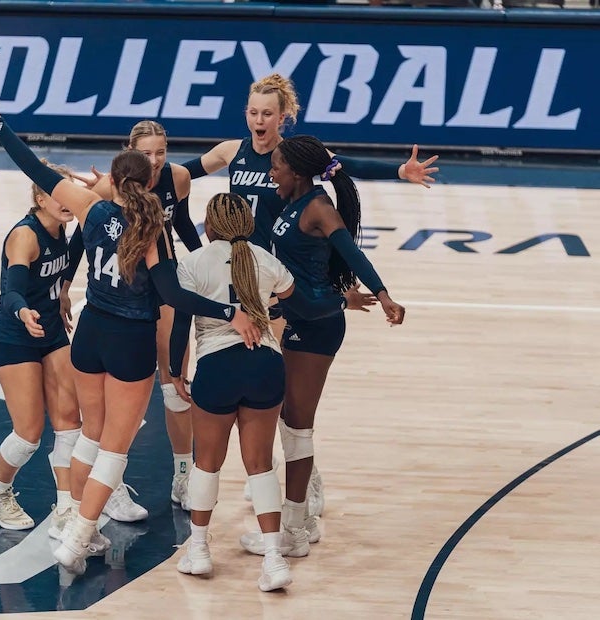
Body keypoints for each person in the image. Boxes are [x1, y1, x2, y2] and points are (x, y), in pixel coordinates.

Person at [0, 81, 261, 575]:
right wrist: (231, 312)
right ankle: (77, 534)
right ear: (148, 182)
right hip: (129, 340)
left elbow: (33, 166)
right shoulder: (152, 232)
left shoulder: (91, 208)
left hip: (89, 335)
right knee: (113, 449)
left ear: (112, 181)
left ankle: (73, 521)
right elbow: (175, 296)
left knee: (87, 437)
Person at [182, 72, 436, 517]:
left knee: (286, 397)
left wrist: (400, 170)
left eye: (267, 114)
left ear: (284, 117)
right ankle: (266, 471)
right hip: (240, 280)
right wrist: (133, 178)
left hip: (280, 282)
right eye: (253, 112)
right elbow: (180, 172)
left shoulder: (294, 159)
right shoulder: (230, 151)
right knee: (252, 381)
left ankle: (304, 480)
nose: (259, 121)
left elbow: (346, 167)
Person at [167, 192, 372, 591]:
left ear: (209, 227)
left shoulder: (192, 263)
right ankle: (275, 560)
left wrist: (176, 370)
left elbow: (179, 326)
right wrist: (342, 301)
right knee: (260, 464)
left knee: (207, 462)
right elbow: (309, 308)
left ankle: (198, 551)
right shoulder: (266, 260)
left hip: (217, 365)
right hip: (265, 365)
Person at [239, 134, 405, 558]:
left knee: (296, 427)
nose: (270, 171)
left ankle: (295, 528)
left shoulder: (318, 207)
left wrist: (382, 294)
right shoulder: (289, 200)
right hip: (301, 316)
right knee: (289, 421)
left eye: (276, 166)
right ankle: (299, 520)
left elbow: (351, 251)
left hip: (317, 322)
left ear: (295, 171)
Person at [73, 120, 202, 512]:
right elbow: (83, 236)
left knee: (176, 384)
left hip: (164, 283)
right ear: (131, 154)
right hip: (127, 291)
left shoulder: (178, 178)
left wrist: (207, 263)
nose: (156, 160)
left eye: (161, 151)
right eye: (147, 154)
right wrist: (63, 287)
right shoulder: (106, 188)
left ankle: (183, 474)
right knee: (118, 402)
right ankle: (110, 486)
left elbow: (182, 227)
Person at [0, 159, 83, 538]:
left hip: (52, 332)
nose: (69, 199)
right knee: (29, 434)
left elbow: (85, 237)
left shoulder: (66, 229)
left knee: (70, 420)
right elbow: (11, 290)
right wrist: (23, 311)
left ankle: (67, 508)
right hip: (15, 336)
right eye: (59, 193)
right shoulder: (26, 235)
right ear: (40, 197)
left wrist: (65, 290)